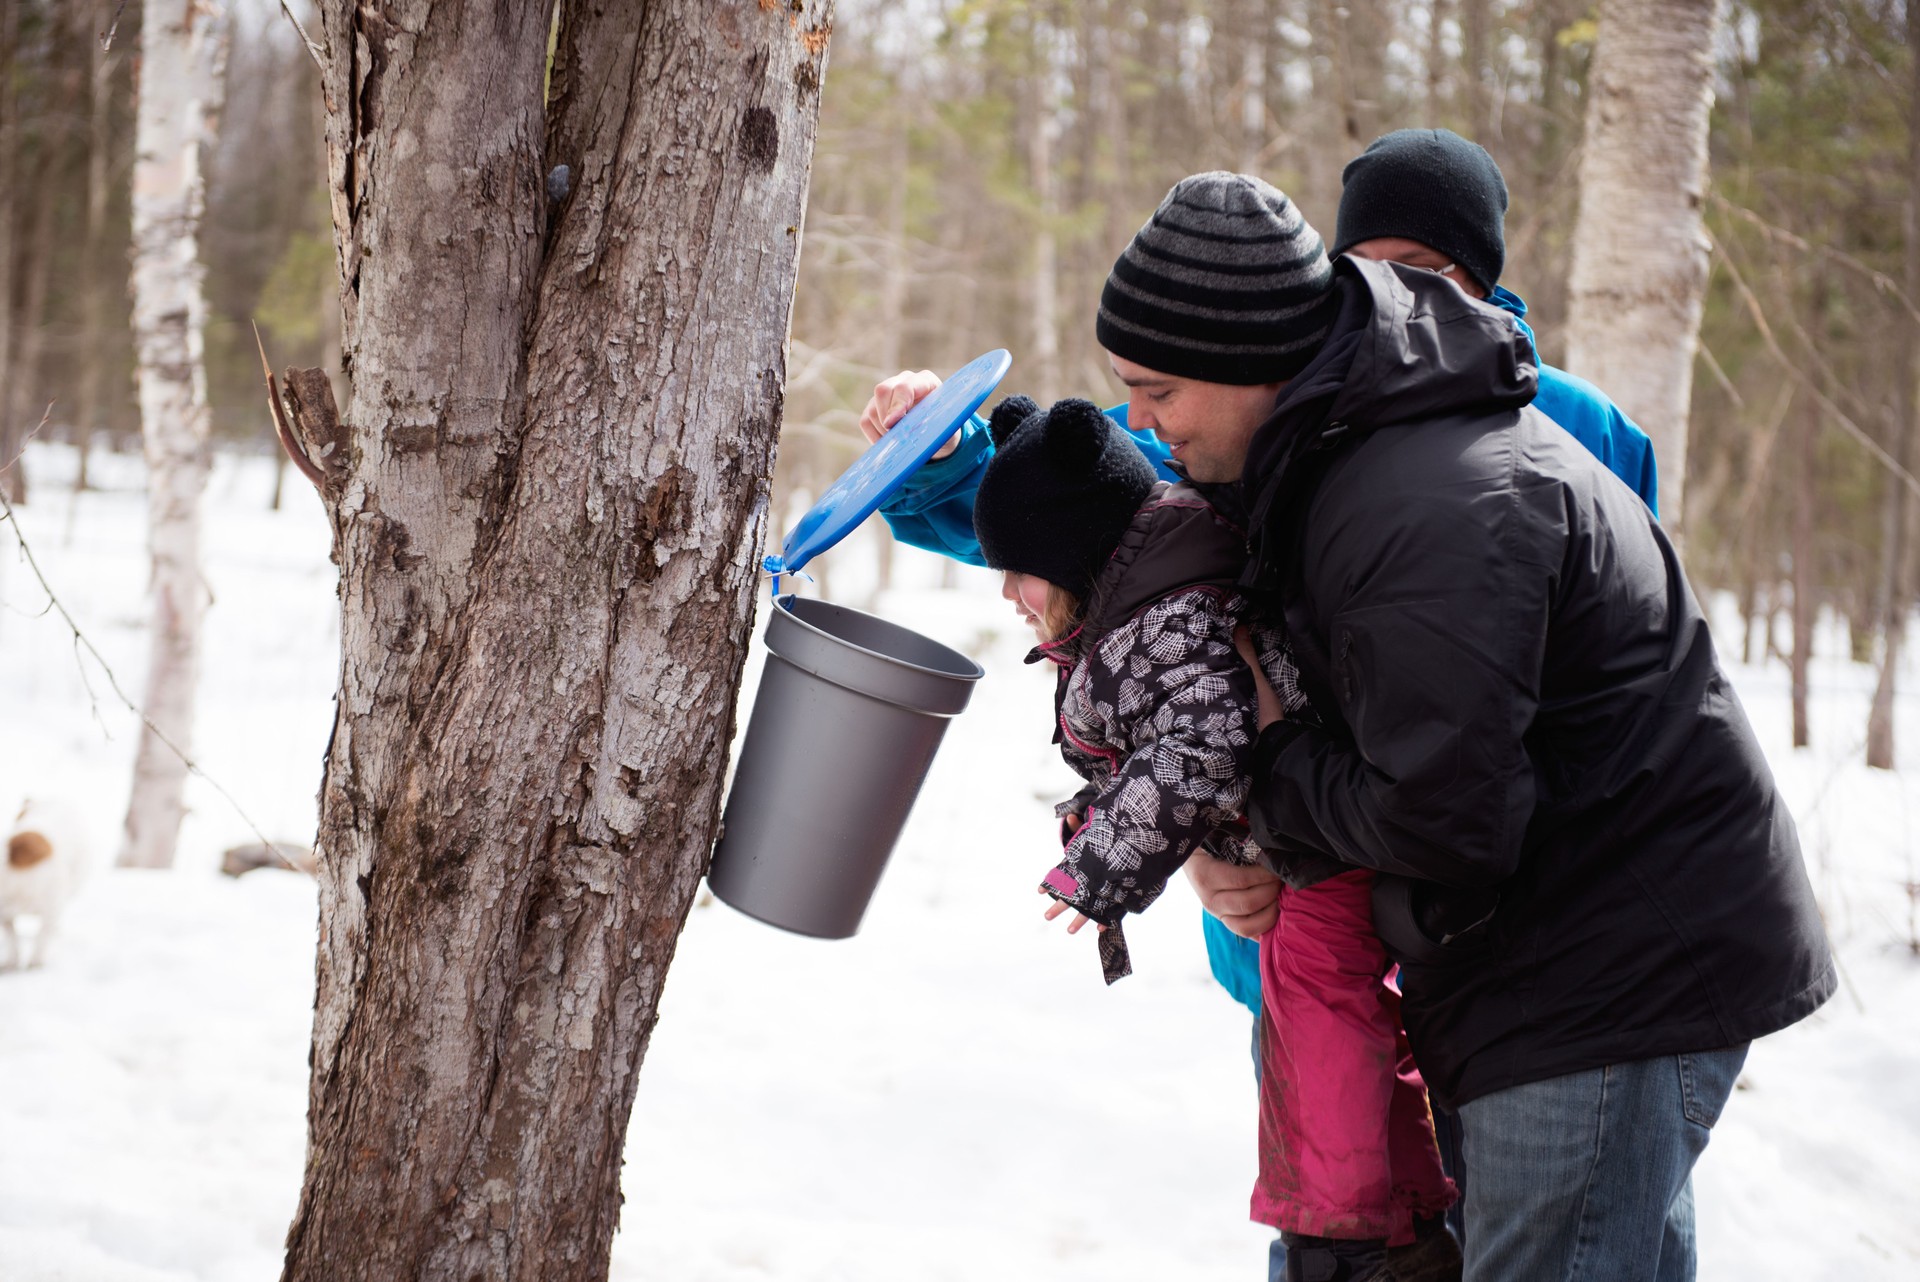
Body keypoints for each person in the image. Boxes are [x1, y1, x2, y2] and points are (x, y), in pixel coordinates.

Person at [863, 161, 1836, 1279]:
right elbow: (1116, 537)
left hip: (1603, 971)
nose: (1142, 422)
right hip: (1524, 960)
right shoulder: (1314, 439)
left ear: (1247, 366)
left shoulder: (1434, 498)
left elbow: (1439, 813)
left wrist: (1253, 786)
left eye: (1158, 392)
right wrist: (943, 463)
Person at [972, 386, 1461, 1282]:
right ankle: (1403, 1218)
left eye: (1019, 568)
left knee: (1317, 1005)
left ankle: (1344, 1242)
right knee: (1314, 1014)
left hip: (1326, 841)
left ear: (1075, 552)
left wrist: (1106, 863)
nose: (1006, 591)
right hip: (1298, 840)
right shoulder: (1131, 613)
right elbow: (1151, 752)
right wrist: (1102, 823)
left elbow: (1205, 743)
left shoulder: (1166, 618)